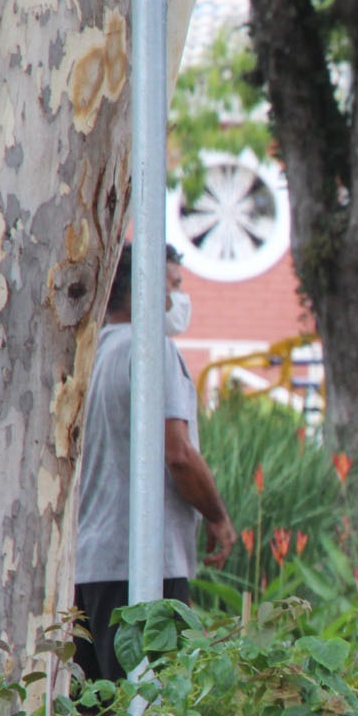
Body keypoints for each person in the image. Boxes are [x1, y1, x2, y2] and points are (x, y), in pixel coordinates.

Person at [73, 246, 234, 686]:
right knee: (153, 711)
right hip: (142, 568)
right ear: (146, 290)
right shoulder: (151, 352)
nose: (179, 298)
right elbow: (178, 453)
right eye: (174, 285)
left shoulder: (93, 354)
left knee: (97, 715)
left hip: (88, 563)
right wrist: (218, 517)